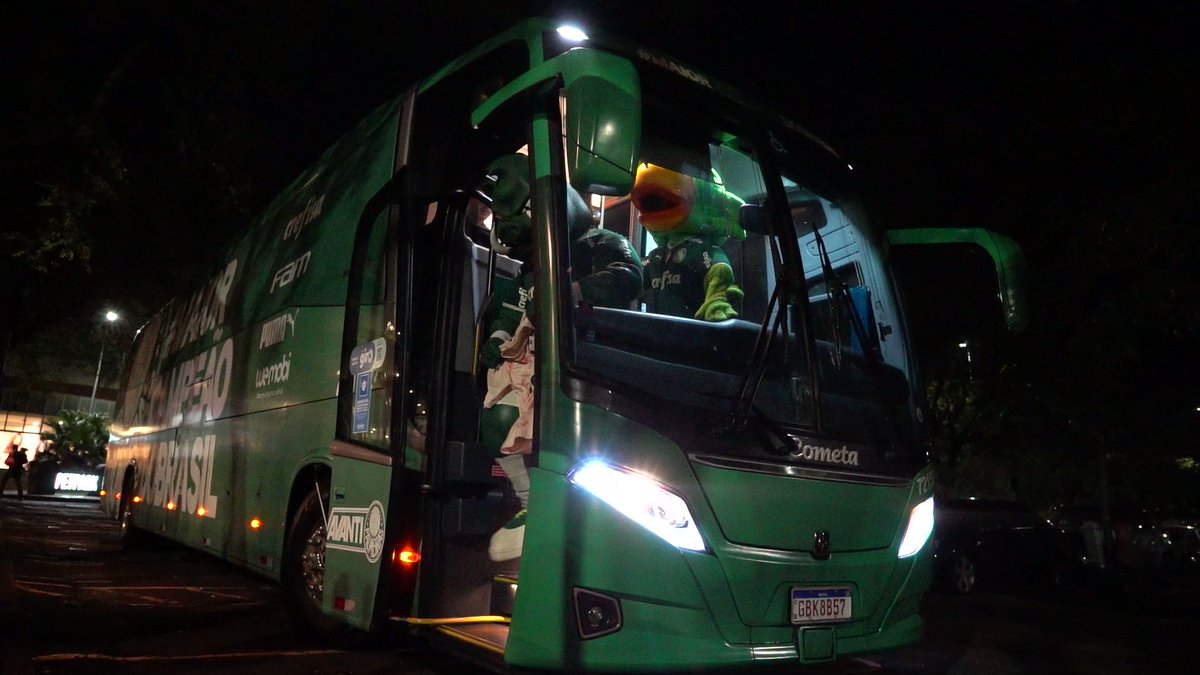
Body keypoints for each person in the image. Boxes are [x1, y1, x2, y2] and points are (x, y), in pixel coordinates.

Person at [478, 153, 643, 562]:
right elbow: (509, 310)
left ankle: (575, 505)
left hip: (589, 366)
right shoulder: (532, 269)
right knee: (499, 418)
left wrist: (571, 295)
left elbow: (628, 276)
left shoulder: (598, 246)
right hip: (533, 367)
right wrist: (497, 339)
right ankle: (532, 503)